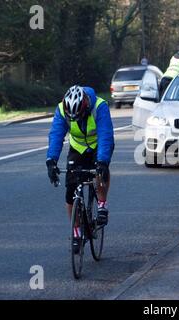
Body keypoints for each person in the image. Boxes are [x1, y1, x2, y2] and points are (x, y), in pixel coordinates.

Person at [46, 85, 114, 253]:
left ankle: (102, 205)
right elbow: (56, 134)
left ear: (85, 106)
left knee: (99, 173)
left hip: (98, 146)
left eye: (79, 116)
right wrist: (51, 161)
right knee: (70, 191)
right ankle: (77, 232)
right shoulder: (62, 109)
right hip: (78, 148)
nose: (76, 119)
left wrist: (103, 162)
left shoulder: (99, 106)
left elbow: (106, 134)